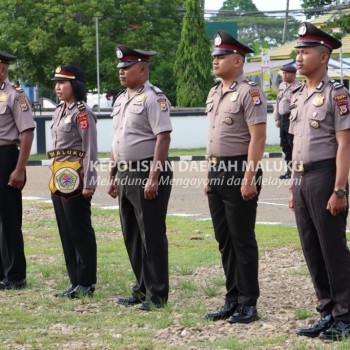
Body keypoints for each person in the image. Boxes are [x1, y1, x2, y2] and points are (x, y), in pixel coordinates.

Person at [289, 22, 350, 341]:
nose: (298, 58)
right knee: (311, 247)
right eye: (297, 52)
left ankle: (345, 314)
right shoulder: (298, 95)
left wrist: (340, 188)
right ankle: (326, 310)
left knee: (332, 248)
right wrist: (291, 185)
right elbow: (295, 143)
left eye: (305, 52)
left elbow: (345, 144)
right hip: (300, 177)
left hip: (326, 176)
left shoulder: (336, 94)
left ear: (324, 57)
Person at [204, 31, 266, 324]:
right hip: (217, 171)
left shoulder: (249, 92)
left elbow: (258, 138)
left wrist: (249, 176)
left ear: (238, 61)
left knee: (242, 238)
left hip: (240, 169)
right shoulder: (215, 91)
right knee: (224, 239)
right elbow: (212, 137)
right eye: (215, 56)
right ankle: (231, 298)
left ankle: (248, 302)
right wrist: (208, 173)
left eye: (221, 56)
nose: (215, 61)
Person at [108, 44, 173, 311]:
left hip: (147, 170)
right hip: (125, 171)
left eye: (127, 67)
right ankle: (141, 288)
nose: (122, 72)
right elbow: (117, 139)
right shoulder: (122, 99)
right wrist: (112, 174)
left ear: (143, 69)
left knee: (152, 234)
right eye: (120, 68)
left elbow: (163, 137)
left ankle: (157, 294)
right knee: (132, 234)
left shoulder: (153, 97)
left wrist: (153, 176)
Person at [49, 65, 98, 299]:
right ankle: (74, 280)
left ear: (75, 85)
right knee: (65, 231)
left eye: (63, 82)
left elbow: (90, 149)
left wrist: (89, 181)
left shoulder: (82, 112)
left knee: (80, 230)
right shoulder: (59, 110)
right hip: (59, 177)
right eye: (56, 82)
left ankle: (86, 282)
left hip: (75, 177)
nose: (58, 87)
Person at [0, 50, 35, 290]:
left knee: (9, 218)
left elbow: (27, 132)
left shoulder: (16, 95)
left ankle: (15, 275)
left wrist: (20, 168)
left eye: (4, 67)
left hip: (6, 156)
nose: (2, 71)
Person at [272, 64, 300, 179]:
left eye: (287, 73)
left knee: (293, 144)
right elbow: (278, 102)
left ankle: (296, 171)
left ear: (293, 74)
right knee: (285, 146)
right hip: (283, 118)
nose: (284, 75)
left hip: (291, 118)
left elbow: (298, 105)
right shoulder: (282, 85)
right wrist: (277, 118)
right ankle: (289, 171)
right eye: (283, 73)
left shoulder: (298, 87)